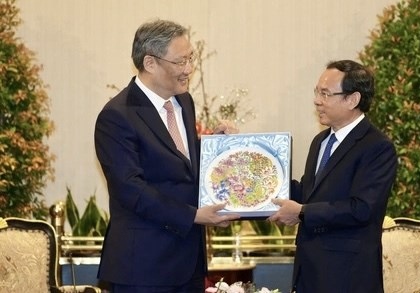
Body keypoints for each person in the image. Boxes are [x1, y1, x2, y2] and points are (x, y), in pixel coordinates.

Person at [94, 19, 240, 293]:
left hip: (189, 262)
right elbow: (130, 189)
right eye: (180, 61)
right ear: (150, 63)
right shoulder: (117, 115)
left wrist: (213, 147)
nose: (189, 69)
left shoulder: (183, 101)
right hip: (143, 266)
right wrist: (194, 216)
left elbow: (177, 160)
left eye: (191, 59)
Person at [269, 60, 398, 293]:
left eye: (326, 94)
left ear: (352, 99)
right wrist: (263, 182)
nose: (317, 100)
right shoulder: (320, 141)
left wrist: (301, 212)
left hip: (347, 275)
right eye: (317, 92)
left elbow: (361, 209)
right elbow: (310, 193)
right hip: (309, 271)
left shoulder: (377, 147)